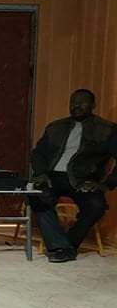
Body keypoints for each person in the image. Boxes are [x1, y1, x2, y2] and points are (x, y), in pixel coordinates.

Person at [30, 89, 117, 263]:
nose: (76, 106)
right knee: (35, 195)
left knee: (96, 205)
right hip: (52, 177)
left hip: (82, 179)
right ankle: (63, 247)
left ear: (93, 105)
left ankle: (66, 244)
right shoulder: (55, 127)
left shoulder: (107, 129)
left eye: (82, 102)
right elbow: (38, 153)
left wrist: (106, 184)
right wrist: (41, 173)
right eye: (73, 102)